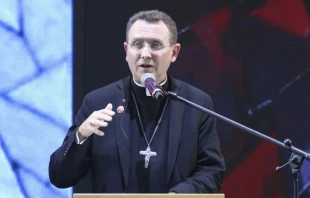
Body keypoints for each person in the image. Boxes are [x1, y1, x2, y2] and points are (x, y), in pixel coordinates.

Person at [49, 9, 226, 193]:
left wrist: (178, 196)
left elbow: (211, 171)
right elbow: (59, 177)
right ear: (127, 51)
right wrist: (81, 136)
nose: (145, 53)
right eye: (137, 44)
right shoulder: (98, 102)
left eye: (155, 45)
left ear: (174, 52)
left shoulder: (196, 104)